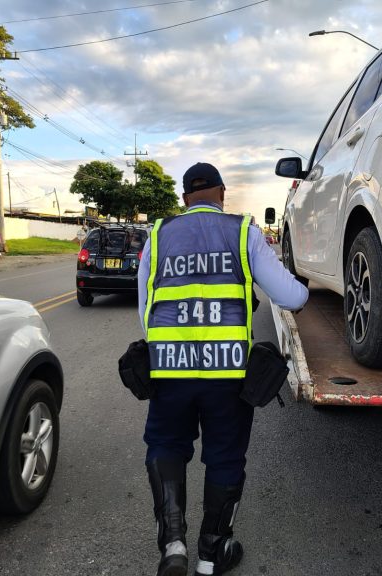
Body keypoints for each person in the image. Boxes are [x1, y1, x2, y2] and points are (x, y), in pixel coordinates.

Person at [137, 162, 309, 576]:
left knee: (165, 445)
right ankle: (211, 555)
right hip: (228, 374)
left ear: (184, 199)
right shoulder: (243, 231)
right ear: (222, 193)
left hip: (169, 370)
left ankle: (173, 546)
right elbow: (292, 298)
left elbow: (146, 312)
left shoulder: (157, 236)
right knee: (225, 457)